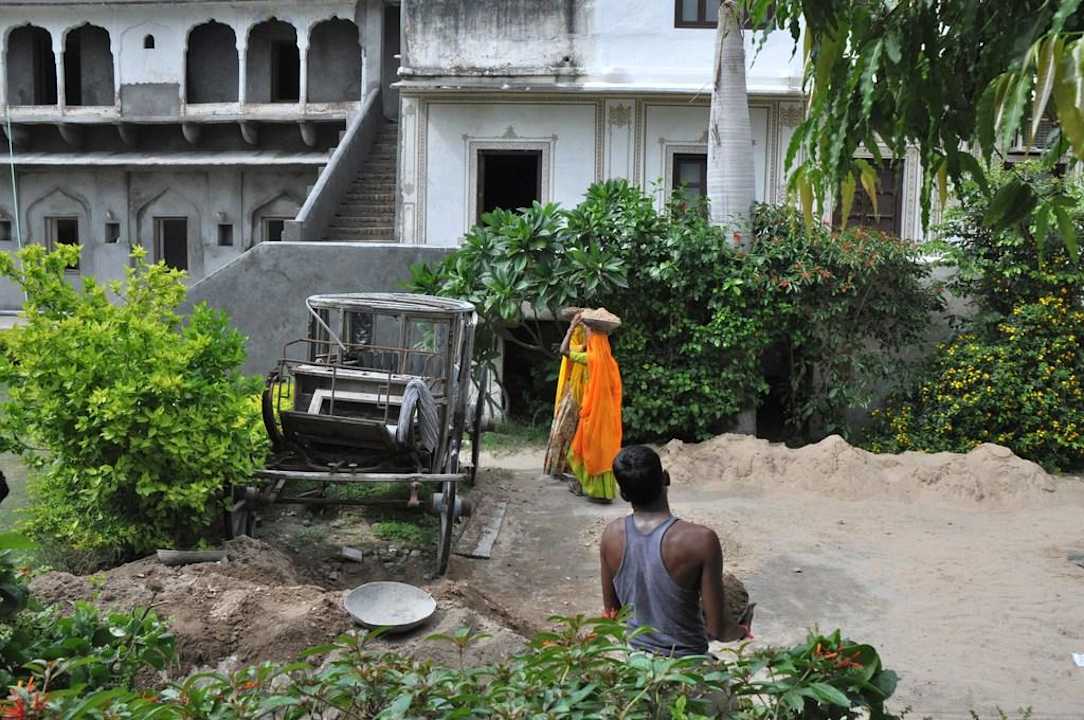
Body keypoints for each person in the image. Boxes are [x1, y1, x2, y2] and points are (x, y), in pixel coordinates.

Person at [599, 446, 753, 657]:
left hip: (635, 665)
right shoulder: (701, 540)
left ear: (623, 494)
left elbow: (613, 614)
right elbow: (718, 630)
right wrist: (742, 630)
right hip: (687, 668)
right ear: (666, 478)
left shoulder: (610, 536)